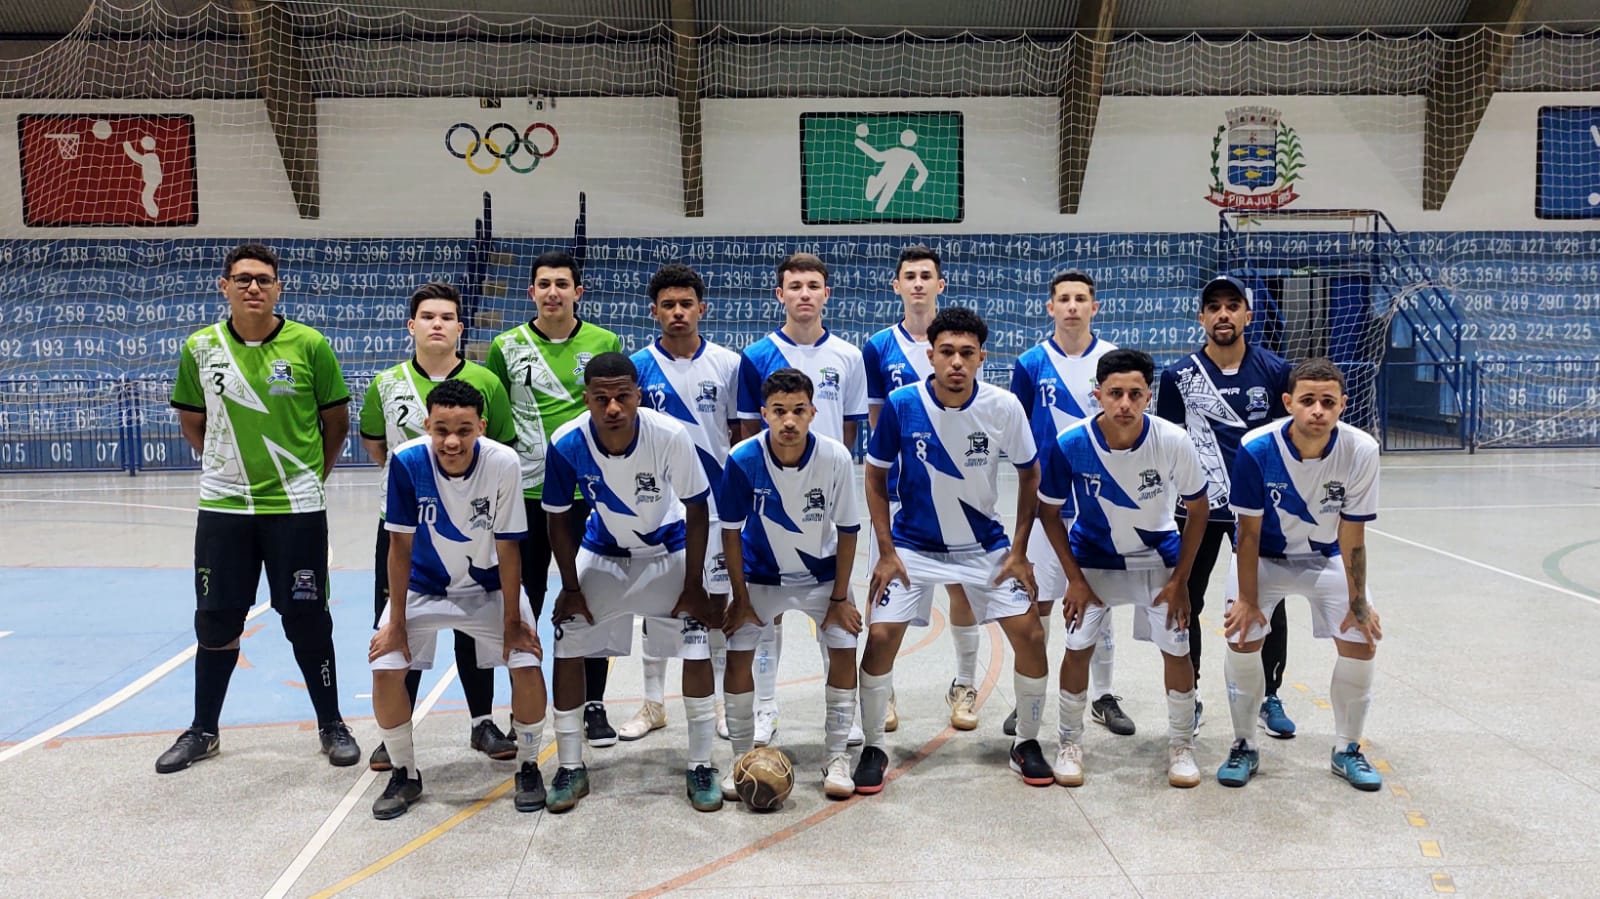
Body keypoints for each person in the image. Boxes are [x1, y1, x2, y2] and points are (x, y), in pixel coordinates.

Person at [157, 242, 359, 773]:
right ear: (223, 286)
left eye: (264, 279)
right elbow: (192, 421)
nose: (254, 287)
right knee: (217, 617)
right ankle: (203, 730)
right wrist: (226, 467)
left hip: (295, 508)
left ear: (278, 287)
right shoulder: (200, 347)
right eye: (243, 278)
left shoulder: (309, 345)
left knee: (307, 616)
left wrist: (312, 476)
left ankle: (331, 723)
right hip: (224, 507)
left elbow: (335, 422)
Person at [857, 307, 1053, 793]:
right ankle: (872, 747)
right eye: (947, 352)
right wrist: (885, 550)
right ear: (931, 355)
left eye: (967, 353)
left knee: (1029, 635)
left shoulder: (1004, 406)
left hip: (985, 547)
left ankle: (1026, 742)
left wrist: (1020, 550)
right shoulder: (902, 404)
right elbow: (875, 475)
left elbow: (1031, 473)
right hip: (912, 546)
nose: (957, 362)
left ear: (982, 357)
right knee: (880, 638)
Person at [541, 352, 723, 813]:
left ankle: (701, 765)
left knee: (697, 644)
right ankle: (569, 767)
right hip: (603, 555)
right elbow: (558, 520)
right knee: (568, 639)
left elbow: (698, 508)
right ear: (587, 400)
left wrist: (695, 584)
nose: (613, 408)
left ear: (638, 396)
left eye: (623, 396)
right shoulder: (566, 443)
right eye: (601, 398)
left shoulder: (669, 435)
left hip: (669, 550)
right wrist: (571, 586)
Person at [367, 380, 548, 819]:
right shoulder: (407, 462)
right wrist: (395, 621)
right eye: (442, 428)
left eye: (464, 430)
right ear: (427, 424)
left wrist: (511, 621)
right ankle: (405, 772)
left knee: (526, 662)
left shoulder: (503, 462)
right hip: (422, 587)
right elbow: (399, 547)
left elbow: (508, 546)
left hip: (486, 588)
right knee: (386, 667)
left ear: (482, 427)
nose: (452, 440)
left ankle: (527, 765)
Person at [359, 281, 518, 770]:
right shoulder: (386, 383)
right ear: (411, 325)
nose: (437, 324)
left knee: (475, 630)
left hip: (475, 526)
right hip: (406, 526)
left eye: (446, 317)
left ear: (459, 328)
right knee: (399, 629)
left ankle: (481, 722)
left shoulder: (486, 382)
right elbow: (375, 445)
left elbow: (502, 446)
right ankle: (396, 734)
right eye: (427, 316)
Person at [1037, 349, 1209, 789]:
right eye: (1115, 393)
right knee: (1077, 647)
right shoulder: (1071, 442)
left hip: (1157, 560)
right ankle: (1069, 742)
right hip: (1093, 561)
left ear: (1149, 396)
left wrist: (1181, 581)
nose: (1125, 404)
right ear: (1098, 395)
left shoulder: (1173, 440)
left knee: (1177, 650)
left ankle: (1181, 745)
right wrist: (1074, 579)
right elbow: (1048, 512)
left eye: (1135, 394)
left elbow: (1198, 508)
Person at [1217, 358, 1384, 791]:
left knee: (1362, 641)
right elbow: (1247, 533)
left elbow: (1353, 533)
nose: (1317, 411)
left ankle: (1347, 748)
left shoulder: (1361, 449)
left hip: (1323, 557)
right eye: (1307, 400)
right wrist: (1249, 601)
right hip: (1263, 558)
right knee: (1241, 637)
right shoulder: (1256, 448)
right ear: (1288, 402)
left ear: (1343, 405)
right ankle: (1244, 744)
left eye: (1328, 402)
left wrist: (1359, 601)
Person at [487, 250, 624, 747]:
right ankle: (523, 706)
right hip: (525, 493)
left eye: (562, 284)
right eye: (543, 284)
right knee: (525, 600)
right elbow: (496, 423)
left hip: (590, 494)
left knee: (593, 597)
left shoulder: (604, 342)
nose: (552, 292)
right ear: (532, 292)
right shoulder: (506, 345)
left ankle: (594, 705)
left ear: (577, 292)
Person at [735, 252, 868, 746]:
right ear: (780, 295)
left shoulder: (849, 357)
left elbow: (850, 428)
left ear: (826, 294)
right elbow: (748, 429)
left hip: (825, 496)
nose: (804, 294)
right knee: (766, 616)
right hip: (769, 498)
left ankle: (844, 713)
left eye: (814, 285)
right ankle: (766, 708)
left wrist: (823, 480)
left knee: (833, 607)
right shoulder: (756, 355)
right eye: (795, 286)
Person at [1156, 275, 1297, 738]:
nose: (1222, 314)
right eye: (1213, 307)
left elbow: (1284, 443)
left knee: (1265, 602)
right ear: (1201, 317)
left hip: (1256, 510)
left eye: (1232, 306)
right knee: (1186, 600)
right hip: (1196, 507)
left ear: (1247, 316)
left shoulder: (1276, 371)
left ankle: (1268, 696)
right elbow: (1169, 445)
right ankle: (1189, 694)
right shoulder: (1179, 376)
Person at [720, 369, 862, 800]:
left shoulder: (835, 457)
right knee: (738, 651)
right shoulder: (743, 457)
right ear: (763, 414)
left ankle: (837, 755)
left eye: (799, 411)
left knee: (842, 644)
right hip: (762, 576)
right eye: (778, 411)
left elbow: (850, 529)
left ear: (813, 412)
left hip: (823, 578)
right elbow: (729, 531)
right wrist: (741, 598)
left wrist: (839, 598)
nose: (789, 421)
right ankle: (742, 758)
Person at [1008, 271, 1132, 738]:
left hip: (1102, 505)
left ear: (1094, 307)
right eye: (1064, 299)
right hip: (1047, 506)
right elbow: (1020, 434)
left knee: (1100, 604)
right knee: (1034, 604)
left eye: (1081, 299)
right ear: (1051, 307)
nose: (1073, 306)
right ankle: (1031, 695)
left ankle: (1102, 696)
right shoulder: (1030, 363)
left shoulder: (1112, 361)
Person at [621, 264, 741, 743]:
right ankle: (653, 704)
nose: (677, 312)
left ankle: (717, 706)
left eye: (685, 303)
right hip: (657, 508)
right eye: (668, 305)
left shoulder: (729, 365)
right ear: (654, 312)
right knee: (655, 606)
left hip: (714, 508)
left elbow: (741, 435)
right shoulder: (637, 367)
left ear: (701, 308)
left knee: (715, 606)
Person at [862, 245, 977, 731]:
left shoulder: (957, 342)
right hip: (902, 492)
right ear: (896, 286)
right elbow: (875, 422)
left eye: (926, 275)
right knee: (885, 592)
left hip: (953, 490)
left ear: (939, 284)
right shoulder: (878, 347)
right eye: (908, 275)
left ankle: (965, 685)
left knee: (962, 590)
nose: (917, 283)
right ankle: (884, 693)